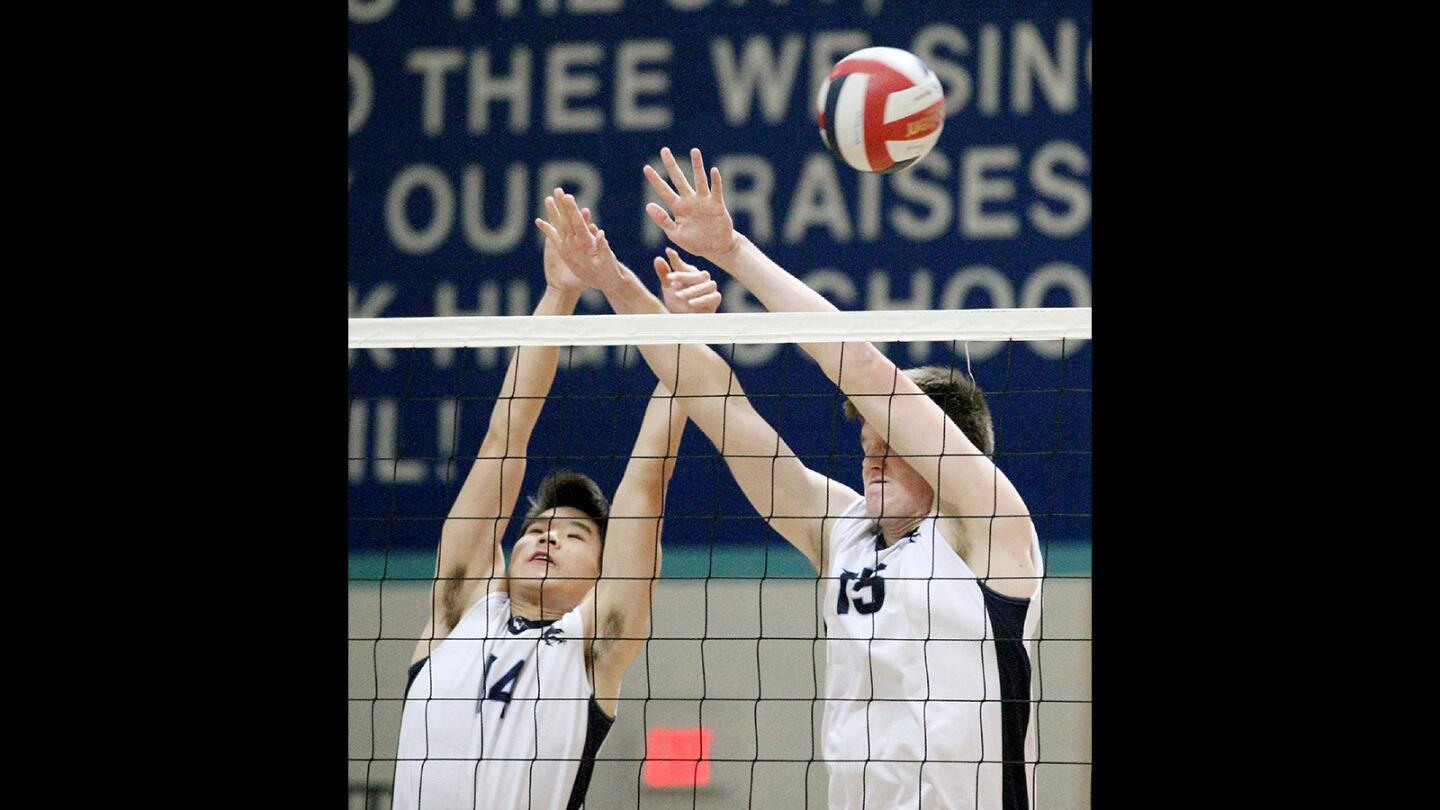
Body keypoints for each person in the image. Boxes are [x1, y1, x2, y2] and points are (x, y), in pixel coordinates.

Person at [537, 149, 1044, 810]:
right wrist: (614, 283)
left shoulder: (990, 529)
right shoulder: (846, 532)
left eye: (891, 446)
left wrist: (734, 251)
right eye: (866, 444)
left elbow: (863, 368)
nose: (872, 459)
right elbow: (718, 403)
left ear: (948, 452)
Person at [392, 202, 719, 810]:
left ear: (602, 574)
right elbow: (505, 437)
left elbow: (647, 478)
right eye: (539, 528)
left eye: (574, 535)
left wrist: (682, 341)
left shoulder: (594, 643)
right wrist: (558, 292)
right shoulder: (459, 609)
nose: (547, 537)